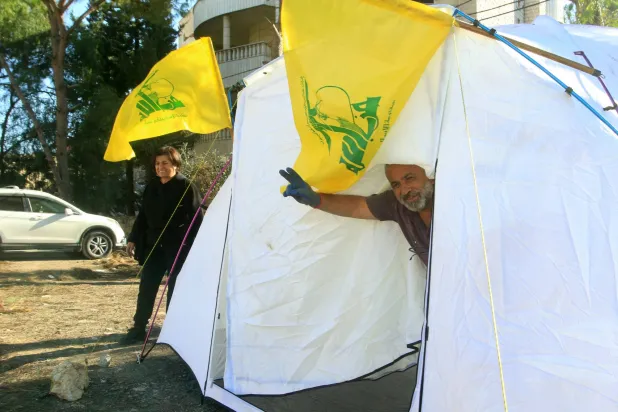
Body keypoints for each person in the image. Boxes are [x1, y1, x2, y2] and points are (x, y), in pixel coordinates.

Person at [122, 146, 204, 343]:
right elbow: (143, 215)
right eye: (157, 163)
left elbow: (197, 219)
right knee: (147, 286)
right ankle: (139, 327)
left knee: (175, 288)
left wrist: (194, 246)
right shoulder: (152, 187)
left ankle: (173, 329)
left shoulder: (186, 186)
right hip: (153, 246)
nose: (160, 167)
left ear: (175, 164)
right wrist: (133, 237)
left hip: (177, 248)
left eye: (165, 163)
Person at [279, 164, 434, 266]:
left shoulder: (454, 198)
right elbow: (358, 207)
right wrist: (316, 200)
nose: (405, 190)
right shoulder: (397, 205)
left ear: (429, 176)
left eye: (410, 178)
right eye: (396, 185)